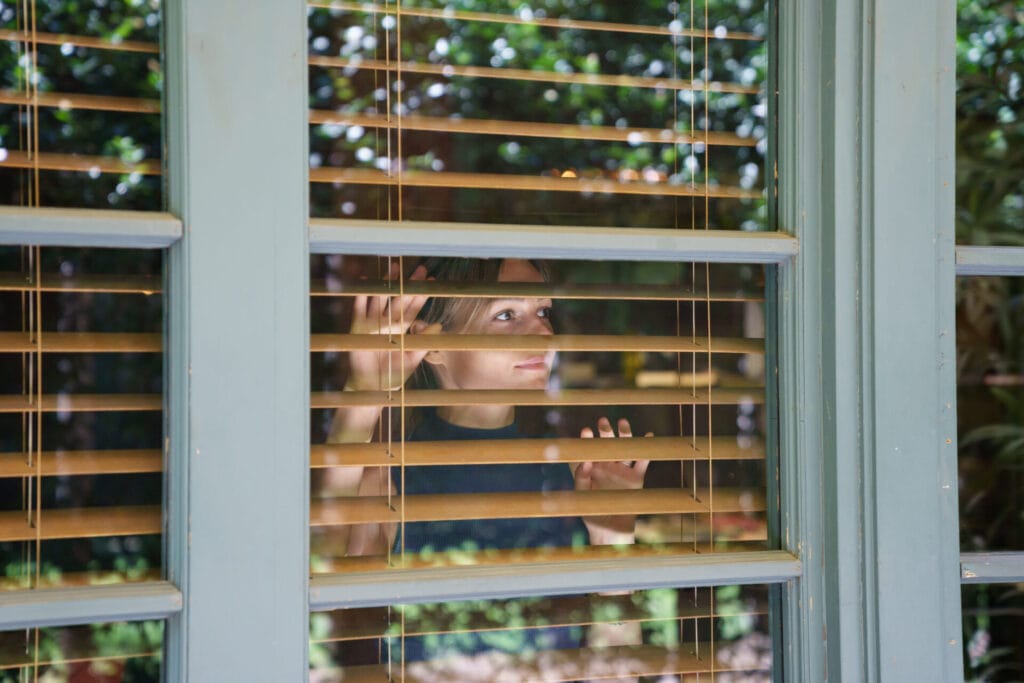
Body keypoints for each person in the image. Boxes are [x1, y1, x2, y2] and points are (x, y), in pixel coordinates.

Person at [323, 256, 649, 677]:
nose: (542, 333)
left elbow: (617, 670)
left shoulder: (575, 479)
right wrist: (365, 392)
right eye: (506, 314)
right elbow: (317, 581)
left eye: (543, 311)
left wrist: (613, 545)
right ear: (431, 344)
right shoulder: (389, 481)